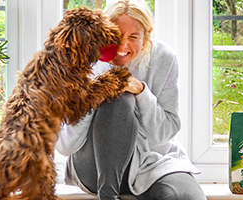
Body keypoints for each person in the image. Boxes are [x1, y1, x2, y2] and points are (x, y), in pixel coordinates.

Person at [55, 0, 207, 199]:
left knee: (185, 196)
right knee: (119, 96)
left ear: (146, 37)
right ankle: (108, 196)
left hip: (152, 162)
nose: (123, 45)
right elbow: (65, 146)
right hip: (94, 166)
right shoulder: (83, 60)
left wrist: (141, 92)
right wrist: (96, 93)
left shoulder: (164, 57)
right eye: (116, 36)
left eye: (133, 36)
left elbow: (165, 133)